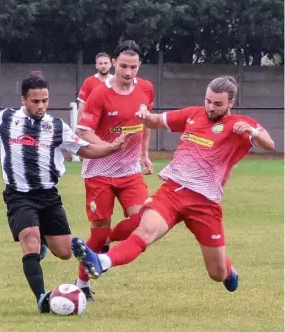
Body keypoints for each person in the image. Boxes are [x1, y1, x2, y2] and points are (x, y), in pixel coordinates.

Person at [0, 75, 132, 313]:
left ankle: (47, 240)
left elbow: (84, 149)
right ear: (24, 100)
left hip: (48, 196)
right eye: (35, 101)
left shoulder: (56, 126)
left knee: (64, 253)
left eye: (45, 100)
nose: (41, 106)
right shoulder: (7, 118)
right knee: (30, 239)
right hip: (19, 195)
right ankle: (42, 298)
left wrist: (111, 148)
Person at [72, 75, 275, 294]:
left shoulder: (239, 125)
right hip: (173, 190)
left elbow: (269, 144)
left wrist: (251, 132)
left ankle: (228, 271)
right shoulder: (194, 115)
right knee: (145, 230)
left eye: (218, 104)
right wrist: (145, 116)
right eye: (208, 100)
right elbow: (157, 121)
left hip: (205, 203)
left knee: (216, 273)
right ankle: (102, 261)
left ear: (230, 103)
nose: (211, 107)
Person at [73, 40, 154, 296]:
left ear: (139, 65)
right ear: (114, 63)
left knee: (142, 219)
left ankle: (108, 242)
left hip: (130, 171)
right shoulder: (100, 93)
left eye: (133, 67)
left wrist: (144, 154)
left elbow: (146, 122)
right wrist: (109, 147)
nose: (128, 73)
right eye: (123, 66)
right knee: (97, 233)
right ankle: (82, 285)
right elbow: (83, 131)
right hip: (99, 171)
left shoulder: (147, 89)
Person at [77, 52, 113, 117]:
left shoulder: (117, 81)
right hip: (94, 120)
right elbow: (82, 104)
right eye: (100, 63)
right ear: (96, 66)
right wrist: (78, 125)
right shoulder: (89, 81)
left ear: (110, 64)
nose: (103, 66)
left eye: (106, 63)